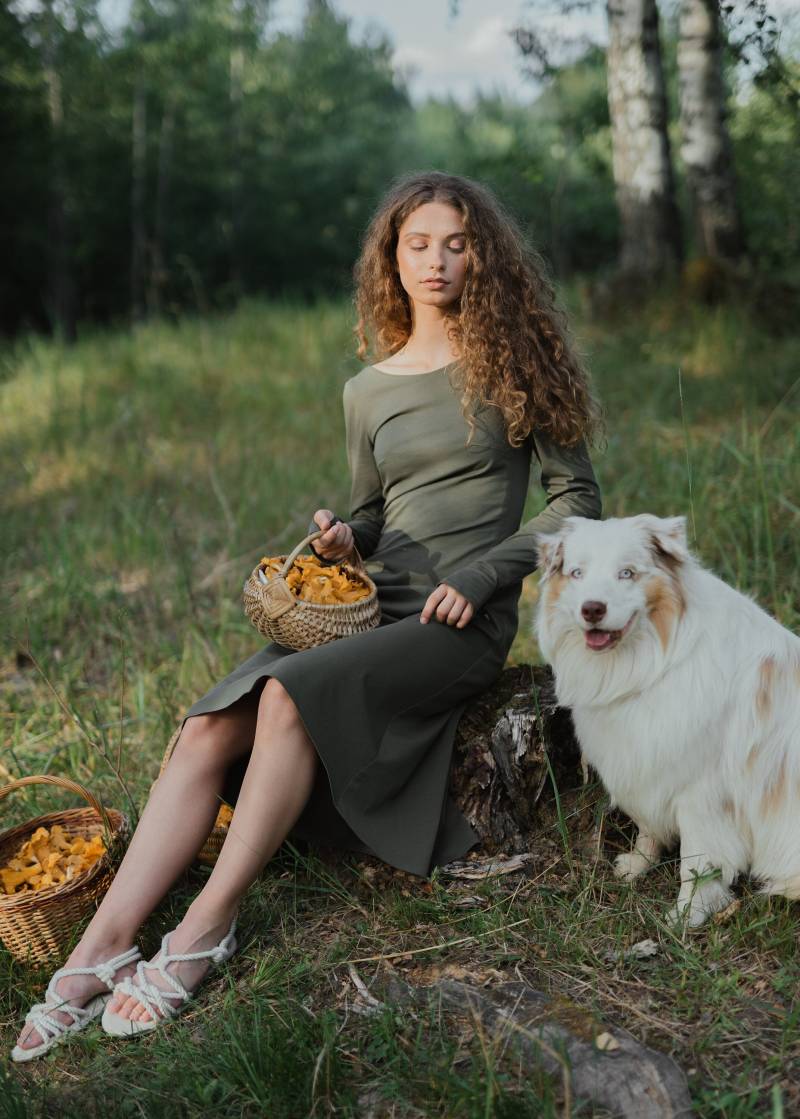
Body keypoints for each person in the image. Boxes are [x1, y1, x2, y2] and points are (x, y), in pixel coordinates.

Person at [12, 170, 602, 1060]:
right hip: (376, 603)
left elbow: (578, 501)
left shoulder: (520, 358)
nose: (437, 260)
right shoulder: (367, 389)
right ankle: (101, 944)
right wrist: (341, 538)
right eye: (418, 244)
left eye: (455, 242)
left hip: (461, 617)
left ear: (483, 254)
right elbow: (375, 514)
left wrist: (488, 571)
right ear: (392, 261)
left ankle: (206, 927)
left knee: (285, 699)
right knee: (209, 727)